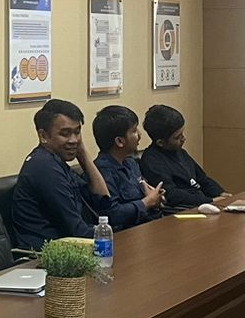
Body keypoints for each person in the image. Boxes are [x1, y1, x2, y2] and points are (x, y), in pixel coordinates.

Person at [11, 98, 112, 251]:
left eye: (77, 132)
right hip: (46, 255)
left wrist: (82, 154)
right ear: (43, 136)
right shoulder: (44, 167)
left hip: (72, 248)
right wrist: (108, 236)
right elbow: (77, 230)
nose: (74, 140)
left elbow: (103, 202)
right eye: (65, 134)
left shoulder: (56, 162)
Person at [139, 104, 227, 211]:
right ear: (160, 142)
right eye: (177, 137)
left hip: (202, 203)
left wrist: (221, 194)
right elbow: (171, 194)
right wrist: (210, 201)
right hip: (184, 208)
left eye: (182, 134)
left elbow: (203, 179)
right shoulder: (151, 160)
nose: (183, 139)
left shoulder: (180, 152)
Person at [90, 105, 165, 230]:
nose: (139, 135)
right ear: (120, 141)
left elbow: (147, 192)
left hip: (150, 225)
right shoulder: (101, 171)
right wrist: (147, 202)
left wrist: (156, 196)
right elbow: (112, 213)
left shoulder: (131, 163)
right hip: (127, 233)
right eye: (134, 131)